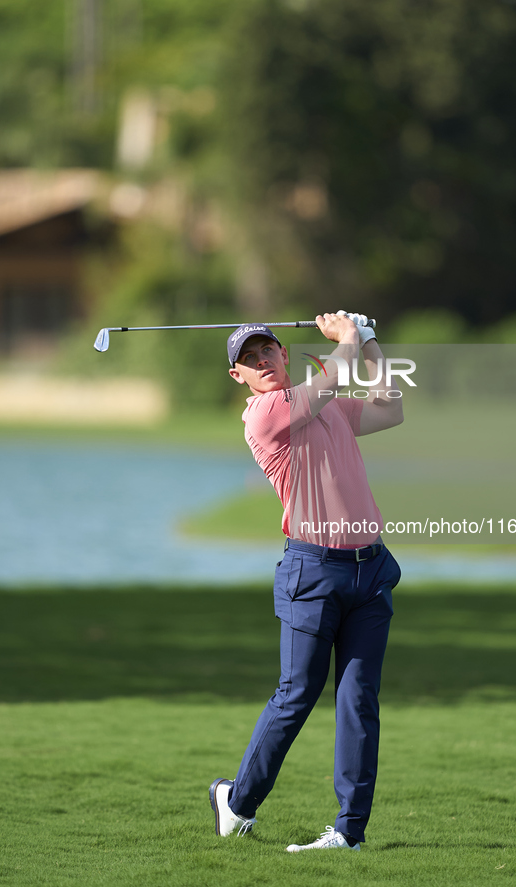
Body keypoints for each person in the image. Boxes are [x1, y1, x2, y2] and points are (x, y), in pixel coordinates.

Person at [209, 311, 403, 852]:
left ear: (283, 355)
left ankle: (349, 833)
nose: (262, 361)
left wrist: (368, 342)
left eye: (268, 351)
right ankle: (238, 802)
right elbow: (327, 384)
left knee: (359, 699)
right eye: (249, 360)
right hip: (312, 571)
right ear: (238, 377)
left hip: (370, 569)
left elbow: (392, 409)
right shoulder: (266, 414)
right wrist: (345, 340)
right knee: (297, 695)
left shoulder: (328, 407)